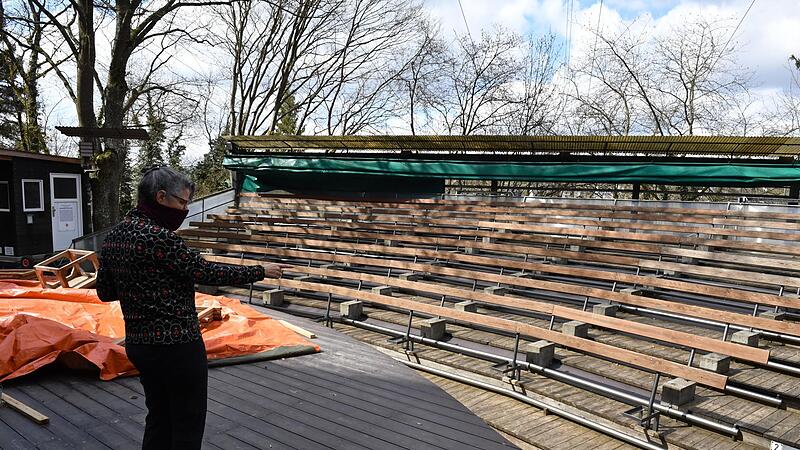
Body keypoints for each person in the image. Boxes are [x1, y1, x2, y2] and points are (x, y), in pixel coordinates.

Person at [96, 166, 286, 449]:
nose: (185, 210)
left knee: (158, 418)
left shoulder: (113, 238)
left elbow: (105, 292)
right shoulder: (161, 238)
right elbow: (207, 273)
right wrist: (260, 271)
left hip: (139, 345)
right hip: (177, 347)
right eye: (182, 202)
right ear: (161, 197)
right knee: (187, 423)